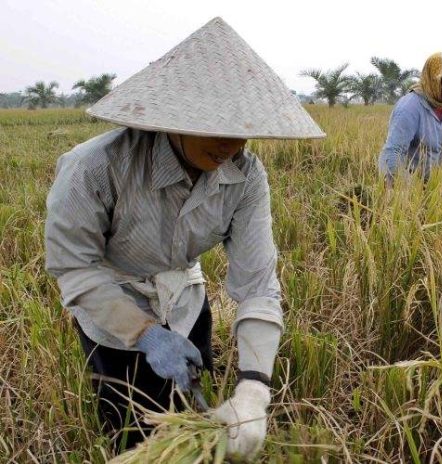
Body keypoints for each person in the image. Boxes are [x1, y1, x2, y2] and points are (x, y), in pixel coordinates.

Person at [44, 17, 324, 460]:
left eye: (242, 129)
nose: (230, 144)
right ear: (175, 117)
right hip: (112, 309)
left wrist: (254, 388)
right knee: (132, 432)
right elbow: (74, 267)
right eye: (216, 126)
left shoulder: (245, 178)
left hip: (185, 302)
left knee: (195, 421)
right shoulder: (95, 167)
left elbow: (257, 283)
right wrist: (145, 333)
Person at [378, 52, 442, 186]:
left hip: (439, 182)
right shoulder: (410, 106)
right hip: (408, 179)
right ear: (431, 80)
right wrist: (404, 189)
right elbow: (393, 151)